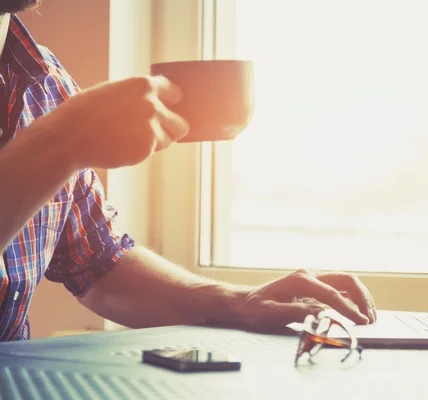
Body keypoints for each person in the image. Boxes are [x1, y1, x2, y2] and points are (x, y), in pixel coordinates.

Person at [0, 0, 376, 341]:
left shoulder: (45, 80)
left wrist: (236, 301)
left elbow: (97, 263)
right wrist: (63, 141)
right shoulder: (61, 121)